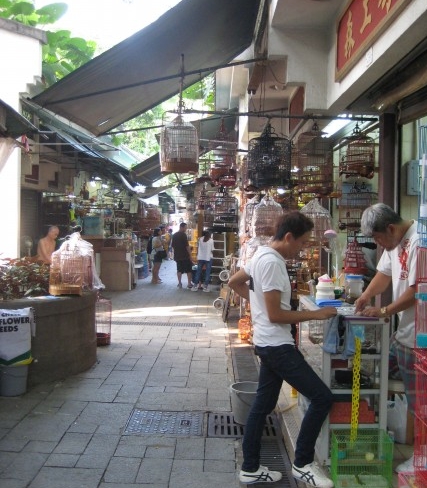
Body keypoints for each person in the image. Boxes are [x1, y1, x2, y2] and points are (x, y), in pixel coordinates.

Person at [228, 211, 337, 487]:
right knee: (322, 397)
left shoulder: (259, 255)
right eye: (301, 243)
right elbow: (277, 315)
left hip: (266, 343)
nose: (301, 250)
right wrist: (316, 315)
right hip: (277, 346)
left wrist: (260, 308)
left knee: (262, 406)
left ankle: (250, 468)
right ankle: (302, 463)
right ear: (288, 237)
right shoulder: (274, 263)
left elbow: (233, 283)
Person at [354, 203, 420, 473]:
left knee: (421, 405)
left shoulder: (419, 243)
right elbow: (383, 274)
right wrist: (365, 295)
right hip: (402, 337)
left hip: (420, 341)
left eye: (378, 238)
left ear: (391, 229)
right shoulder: (395, 245)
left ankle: (421, 460)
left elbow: (417, 290)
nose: (378, 244)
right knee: (379, 378)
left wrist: (383, 310)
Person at [171, 222, 193, 289]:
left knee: (179, 270)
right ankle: (189, 284)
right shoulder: (183, 235)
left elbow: (173, 246)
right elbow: (187, 246)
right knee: (188, 270)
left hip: (177, 256)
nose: (186, 229)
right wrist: (190, 255)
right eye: (185, 228)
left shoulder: (174, 235)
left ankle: (180, 283)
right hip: (185, 256)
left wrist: (176, 253)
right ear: (181, 227)